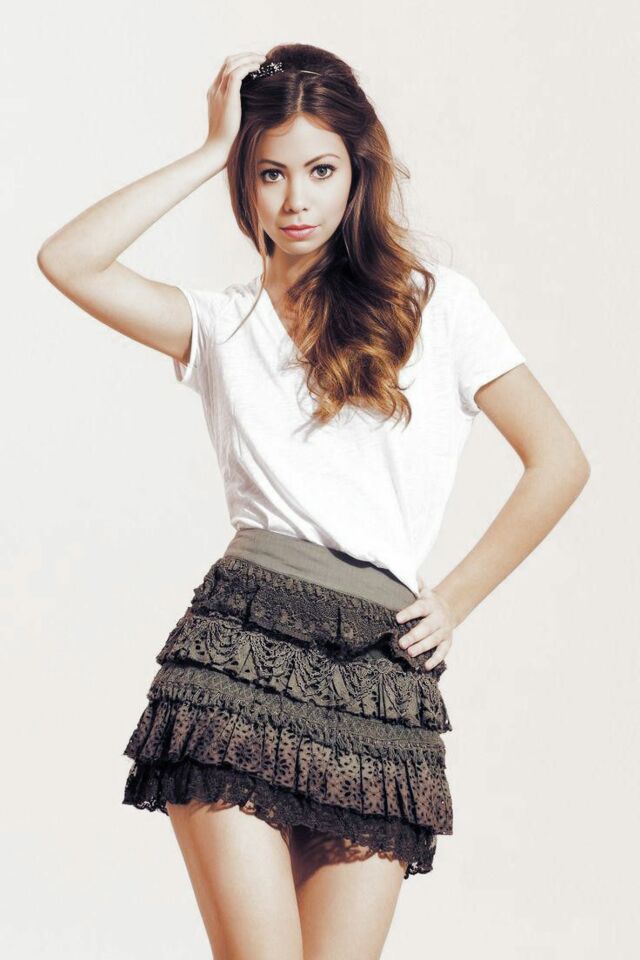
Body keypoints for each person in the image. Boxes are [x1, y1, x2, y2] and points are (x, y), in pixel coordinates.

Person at [37, 42, 590, 960]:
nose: (296, 199)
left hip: (380, 674)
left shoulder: (439, 307)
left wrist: (455, 600)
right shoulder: (222, 325)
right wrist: (209, 150)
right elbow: (68, 259)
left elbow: (559, 460)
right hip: (242, 653)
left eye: (321, 170)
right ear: (245, 183)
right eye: (270, 173)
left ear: (358, 172)